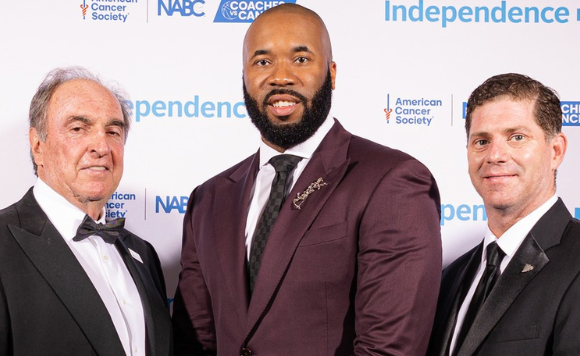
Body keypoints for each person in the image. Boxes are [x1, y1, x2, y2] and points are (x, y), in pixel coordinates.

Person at [171, 4, 443, 355]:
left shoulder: (392, 181)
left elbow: (390, 349)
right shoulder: (208, 199)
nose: (280, 76)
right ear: (244, 77)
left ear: (331, 73)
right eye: (263, 62)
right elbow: (195, 340)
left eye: (300, 59)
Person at [0, 67, 171, 356]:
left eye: (113, 131)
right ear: (38, 146)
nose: (101, 146)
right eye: (78, 129)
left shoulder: (143, 255)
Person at [427, 73, 580, 356]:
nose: (495, 155)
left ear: (555, 151)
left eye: (516, 137)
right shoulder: (453, 276)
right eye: (481, 141)